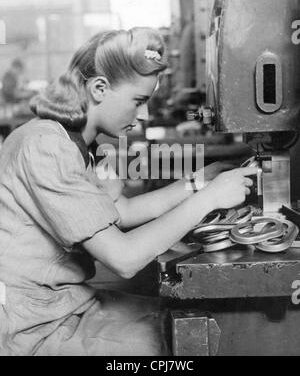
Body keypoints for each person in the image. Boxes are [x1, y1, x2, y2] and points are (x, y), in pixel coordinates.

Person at [0, 28, 257, 356]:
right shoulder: (46, 146)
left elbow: (121, 212)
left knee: (189, 323)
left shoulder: (78, 143)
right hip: (31, 328)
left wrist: (199, 182)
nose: (144, 115)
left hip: (64, 304)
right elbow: (124, 259)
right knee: (181, 343)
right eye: (139, 101)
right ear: (99, 89)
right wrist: (210, 199)